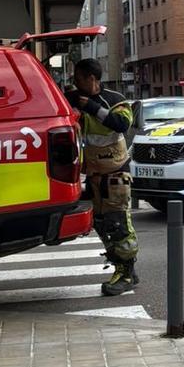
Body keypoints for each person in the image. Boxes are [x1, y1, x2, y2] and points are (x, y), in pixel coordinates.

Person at [66, 59, 138, 295]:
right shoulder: (76, 99)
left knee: (118, 224)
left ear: (91, 79)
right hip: (96, 175)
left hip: (115, 174)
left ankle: (125, 273)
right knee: (100, 223)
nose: (74, 82)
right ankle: (124, 267)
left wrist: (92, 108)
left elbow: (122, 124)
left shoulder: (115, 100)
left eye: (78, 78)